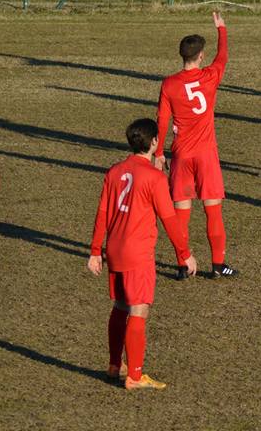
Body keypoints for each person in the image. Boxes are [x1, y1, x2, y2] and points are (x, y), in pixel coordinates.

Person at [89, 118, 194, 391]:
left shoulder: (114, 172)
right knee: (139, 309)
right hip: (138, 253)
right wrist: (184, 254)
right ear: (155, 143)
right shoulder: (155, 178)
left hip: (114, 250)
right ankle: (135, 375)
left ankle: (115, 365)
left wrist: (94, 251)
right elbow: (170, 219)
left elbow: (102, 213)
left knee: (121, 306)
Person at [155, 12, 237, 278]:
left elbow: (162, 120)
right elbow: (223, 57)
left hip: (181, 154)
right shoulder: (211, 76)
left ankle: (183, 263)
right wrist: (222, 29)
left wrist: (158, 152)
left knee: (182, 213)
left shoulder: (169, 84)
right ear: (200, 56)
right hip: (206, 155)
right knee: (213, 210)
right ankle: (217, 265)